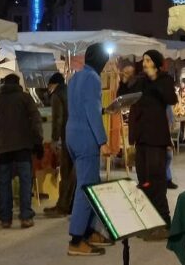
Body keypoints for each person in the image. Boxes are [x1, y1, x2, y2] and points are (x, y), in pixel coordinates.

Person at [65, 43, 114, 256]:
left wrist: (103, 109)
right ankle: (76, 240)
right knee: (86, 189)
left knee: (90, 185)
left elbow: (81, 107)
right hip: (86, 138)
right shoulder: (93, 78)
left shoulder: (75, 77)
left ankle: (89, 231)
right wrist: (103, 141)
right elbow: (92, 113)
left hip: (72, 135)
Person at [0, 74, 44, 229]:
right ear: (18, 83)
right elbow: (36, 120)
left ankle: (5, 219)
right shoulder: (25, 98)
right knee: (25, 181)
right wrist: (38, 141)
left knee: (3, 183)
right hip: (23, 146)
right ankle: (25, 217)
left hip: (3, 148)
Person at [128, 50, 177, 241]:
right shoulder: (140, 81)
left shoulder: (164, 80)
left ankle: (164, 223)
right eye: (143, 59)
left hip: (156, 139)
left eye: (148, 60)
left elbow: (171, 99)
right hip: (141, 138)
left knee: (156, 181)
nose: (144, 63)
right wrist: (125, 81)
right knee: (144, 181)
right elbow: (125, 95)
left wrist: (154, 79)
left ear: (156, 64)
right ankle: (149, 222)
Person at [44, 72, 75, 218]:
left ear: (53, 84)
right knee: (73, 173)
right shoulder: (72, 91)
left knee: (66, 172)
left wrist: (54, 139)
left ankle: (62, 206)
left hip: (66, 137)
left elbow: (57, 119)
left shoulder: (57, 95)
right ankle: (70, 205)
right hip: (76, 135)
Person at [165, 104, 177, 189]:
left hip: (165, 134)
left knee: (169, 155)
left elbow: (170, 122)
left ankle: (167, 179)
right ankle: (166, 179)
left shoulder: (167, 105)